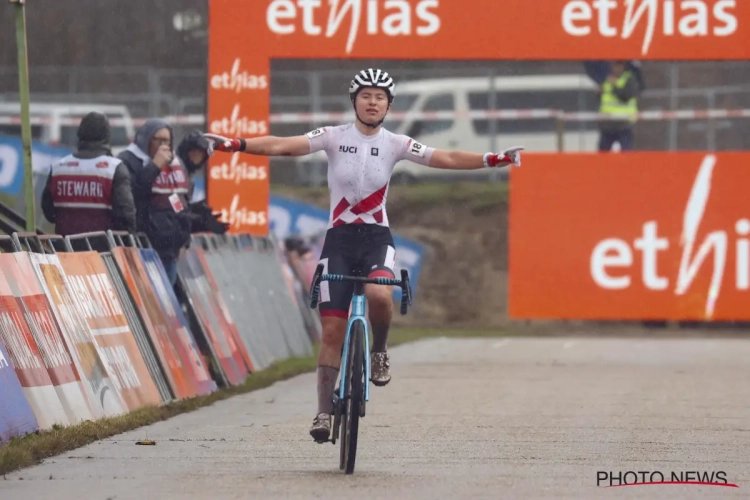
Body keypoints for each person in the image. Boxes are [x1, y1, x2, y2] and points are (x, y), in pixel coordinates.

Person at [203, 68, 523, 443]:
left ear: (389, 105)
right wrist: (237, 144)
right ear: (354, 101)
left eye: (380, 97)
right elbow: (283, 145)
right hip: (338, 240)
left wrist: (493, 159)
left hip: (376, 238)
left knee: (378, 294)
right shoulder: (333, 136)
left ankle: (380, 351)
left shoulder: (396, 143)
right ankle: (323, 412)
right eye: (366, 96)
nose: (373, 102)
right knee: (333, 331)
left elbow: (446, 157)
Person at [42, 111, 136, 250]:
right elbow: (125, 217)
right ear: (106, 136)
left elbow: (49, 212)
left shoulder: (59, 168)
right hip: (103, 255)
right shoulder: (114, 168)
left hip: (66, 253)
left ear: (80, 134)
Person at [117, 119, 192, 286]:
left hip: (169, 249)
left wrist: (184, 239)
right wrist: (154, 167)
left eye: (167, 140)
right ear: (146, 139)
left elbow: (184, 200)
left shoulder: (176, 163)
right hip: (143, 245)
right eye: (158, 139)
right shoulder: (128, 160)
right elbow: (132, 195)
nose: (163, 145)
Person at [175, 130, 230, 235]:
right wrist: (200, 222)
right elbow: (173, 209)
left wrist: (193, 209)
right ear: (185, 150)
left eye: (201, 153)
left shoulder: (188, 176)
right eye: (194, 151)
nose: (197, 156)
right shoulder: (173, 172)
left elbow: (179, 208)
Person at [597, 60, 640, 152]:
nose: (615, 68)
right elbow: (603, 99)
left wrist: (614, 86)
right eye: (614, 65)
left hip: (624, 124)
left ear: (623, 66)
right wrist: (599, 93)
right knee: (602, 153)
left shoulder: (629, 79)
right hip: (608, 125)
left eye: (618, 65)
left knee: (625, 153)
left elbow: (626, 96)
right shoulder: (607, 79)